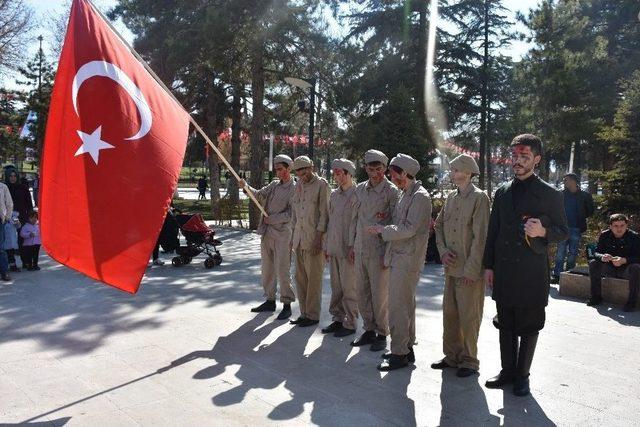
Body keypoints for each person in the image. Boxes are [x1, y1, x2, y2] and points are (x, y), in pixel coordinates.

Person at [483, 134, 568, 396]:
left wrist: (543, 231)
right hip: (505, 270)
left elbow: (563, 231)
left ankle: (523, 376)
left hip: (532, 273)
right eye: (515, 156)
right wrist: (489, 266)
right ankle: (507, 371)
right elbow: (493, 232)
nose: (518, 162)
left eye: (524, 157)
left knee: (530, 325)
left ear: (537, 159)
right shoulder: (502, 191)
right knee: (505, 323)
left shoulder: (549, 193)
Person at [367, 153, 431, 371]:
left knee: (397, 307)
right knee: (406, 306)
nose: (392, 178)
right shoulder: (406, 194)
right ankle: (406, 347)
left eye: (394, 174)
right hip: (400, 256)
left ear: (405, 173)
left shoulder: (420, 197)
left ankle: (398, 354)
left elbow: (408, 229)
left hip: (408, 259)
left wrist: (382, 230)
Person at [431, 154, 490, 378]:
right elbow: (438, 227)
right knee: (451, 314)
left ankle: (469, 360)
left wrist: (472, 270)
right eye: (452, 170)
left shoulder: (479, 198)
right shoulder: (451, 198)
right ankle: (452, 356)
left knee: (469, 316)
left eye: (456, 170)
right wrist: (443, 252)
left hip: (469, 270)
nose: (452, 174)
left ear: (467, 171)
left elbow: (480, 237)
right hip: (452, 268)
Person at [350, 149, 399, 352]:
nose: (375, 173)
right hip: (361, 248)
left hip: (379, 251)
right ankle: (368, 329)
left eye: (379, 169)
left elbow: (395, 224)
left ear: (385, 169)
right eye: (371, 169)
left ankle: (381, 332)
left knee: (380, 295)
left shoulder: (392, 191)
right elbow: (355, 219)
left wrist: (388, 254)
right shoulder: (360, 189)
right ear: (366, 168)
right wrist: (352, 245)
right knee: (362, 293)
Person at [239, 154, 297, 320]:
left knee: (282, 269)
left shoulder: (295, 188)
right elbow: (258, 196)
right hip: (267, 233)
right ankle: (270, 300)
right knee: (267, 269)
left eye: (281, 169)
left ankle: (286, 304)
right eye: (277, 169)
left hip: (283, 234)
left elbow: (291, 214)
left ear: (288, 168)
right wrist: (246, 187)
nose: (279, 173)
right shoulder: (273, 185)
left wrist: (273, 219)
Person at [290, 155, 330, 328]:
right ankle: (304, 312)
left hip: (314, 240)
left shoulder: (322, 185)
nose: (302, 173)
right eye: (298, 170)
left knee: (314, 280)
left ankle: (312, 316)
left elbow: (325, 214)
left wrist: (319, 239)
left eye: (304, 169)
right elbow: (295, 214)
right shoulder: (298, 185)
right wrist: (292, 238)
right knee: (300, 278)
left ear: (311, 167)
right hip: (299, 240)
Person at [321, 158, 359, 338]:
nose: (336, 177)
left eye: (339, 173)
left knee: (349, 288)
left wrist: (354, 246)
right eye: (334, 173)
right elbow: (330, 222)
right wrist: (327, 246)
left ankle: (350, 323)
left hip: (349, 249)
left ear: (348, 173)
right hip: (334, 247)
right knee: (336, 287)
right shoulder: (334, 195)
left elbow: (357, 223)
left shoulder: (358, 194)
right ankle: (337, 319)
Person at [587, 213, 640, 312]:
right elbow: (596, 253)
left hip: (626, 270)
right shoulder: (604, 235)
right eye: (615, 226)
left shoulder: (634, 237)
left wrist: (624, 260)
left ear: (626, 225)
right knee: (594, 263)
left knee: (636, 267)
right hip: (609, 268)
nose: (619, 229)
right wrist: (602, 257)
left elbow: (638, 257)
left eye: (622, 225)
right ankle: (596, 296)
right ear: (610, 226)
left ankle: (632, 302)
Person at [551, 173, 595, 283]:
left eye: (566, 180)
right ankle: (557, 275)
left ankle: (569, 274)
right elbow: (555, 210)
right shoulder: (560, 195)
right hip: (562, 228)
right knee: (560, 253)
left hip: (576, 228)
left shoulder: (585, 196)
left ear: (574, 181)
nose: (564, 182)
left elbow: (590, 211)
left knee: (573, 253)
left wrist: (581, 216)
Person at [5, 170, 33, 270]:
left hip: (22, 217)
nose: (13, 178)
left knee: (22, 240)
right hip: (8, 218)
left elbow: (29, 203)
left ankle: (25, 261)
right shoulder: (4, 188)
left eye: (14, 176)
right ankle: (12, 263)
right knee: (10, 240)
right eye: (10, 176)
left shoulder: (23, 188)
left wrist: (30, 216)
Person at [0, 180, 12, 281]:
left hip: (0, 221)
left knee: (1, 248)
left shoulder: (3, 187)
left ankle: (4, 272)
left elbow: (9, 203)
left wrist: (7, 217)